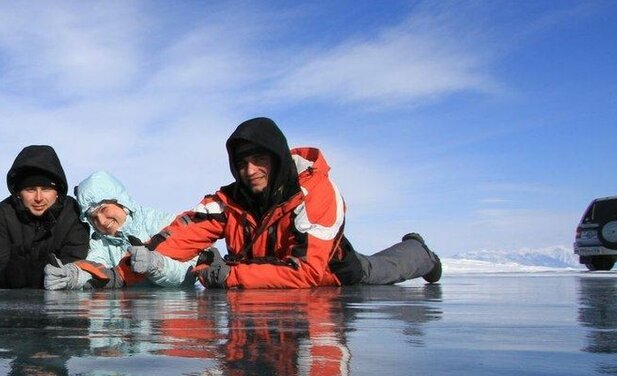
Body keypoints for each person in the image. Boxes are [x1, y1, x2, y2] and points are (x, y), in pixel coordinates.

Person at [145, 117, 442, 289]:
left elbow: (307, 272)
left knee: (379, 269)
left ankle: (422, 253)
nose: (250, 171)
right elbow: (185, 233)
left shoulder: (316, 191)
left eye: (259, 159)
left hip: (333, 272)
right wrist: (127, 270)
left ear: (277, 158)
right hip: (262, 275)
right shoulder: (230, 200)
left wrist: (230, 276)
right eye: (242, 163)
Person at [43, 171, 195, 290]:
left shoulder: (161, 222)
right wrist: (73, 277)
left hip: (169, 322)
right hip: (124, 320)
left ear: (120, 200)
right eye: (93, 218)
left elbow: (192, 271)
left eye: (104, 209)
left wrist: (156, 264)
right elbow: (96, 267)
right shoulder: (99, 243)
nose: (101, 221)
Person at [0, 145, 89, 288]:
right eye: (30, 189)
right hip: (14, 300)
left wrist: (36, 274)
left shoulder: (73, 212)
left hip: (61, 299)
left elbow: (75, 259)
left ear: (57, 191)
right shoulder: (2, 213)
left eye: (46, 189)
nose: (39, 198)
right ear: (18, 193)